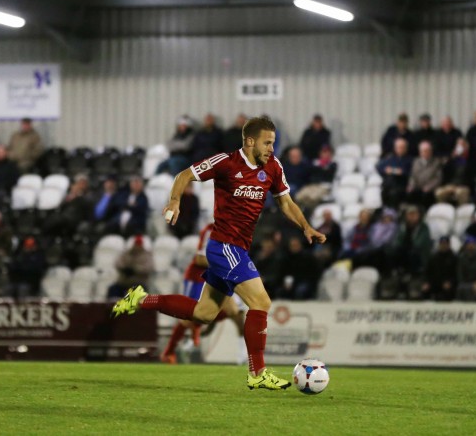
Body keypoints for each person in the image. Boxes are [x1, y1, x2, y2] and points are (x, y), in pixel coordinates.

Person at [112, 116, 326, 390]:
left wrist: (306, 227)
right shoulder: (226, 162)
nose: (272, 148)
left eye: (273, 143)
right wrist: (175, 201)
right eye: (267, 142)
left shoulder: (273, 167)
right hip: (224, 246)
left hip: (238, 248)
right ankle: (257, 372)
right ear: (250, 141)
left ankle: (141, 299)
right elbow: (184, 175)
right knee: (261, 302)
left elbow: (285, 202)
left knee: (203, 314)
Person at [159, 223, 244, 364]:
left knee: (235, 312)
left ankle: (243, 355)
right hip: (198, 277)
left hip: (221, 276)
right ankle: (169, 351)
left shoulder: (240, 231)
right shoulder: (212, 230)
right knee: (190, 316)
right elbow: (200, 259)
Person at [405, 141, 442, 209]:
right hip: (417, 187)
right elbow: (413, 176)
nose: (426, 153)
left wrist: (429, 187)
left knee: (426, 195)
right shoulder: (416, 162)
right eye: (424, 151)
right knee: (409, 193)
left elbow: (438, 178)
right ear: (420, 152)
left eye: (427, 151)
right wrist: (411, 186)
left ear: (431, 152)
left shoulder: (436, 162)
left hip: (430, 189)